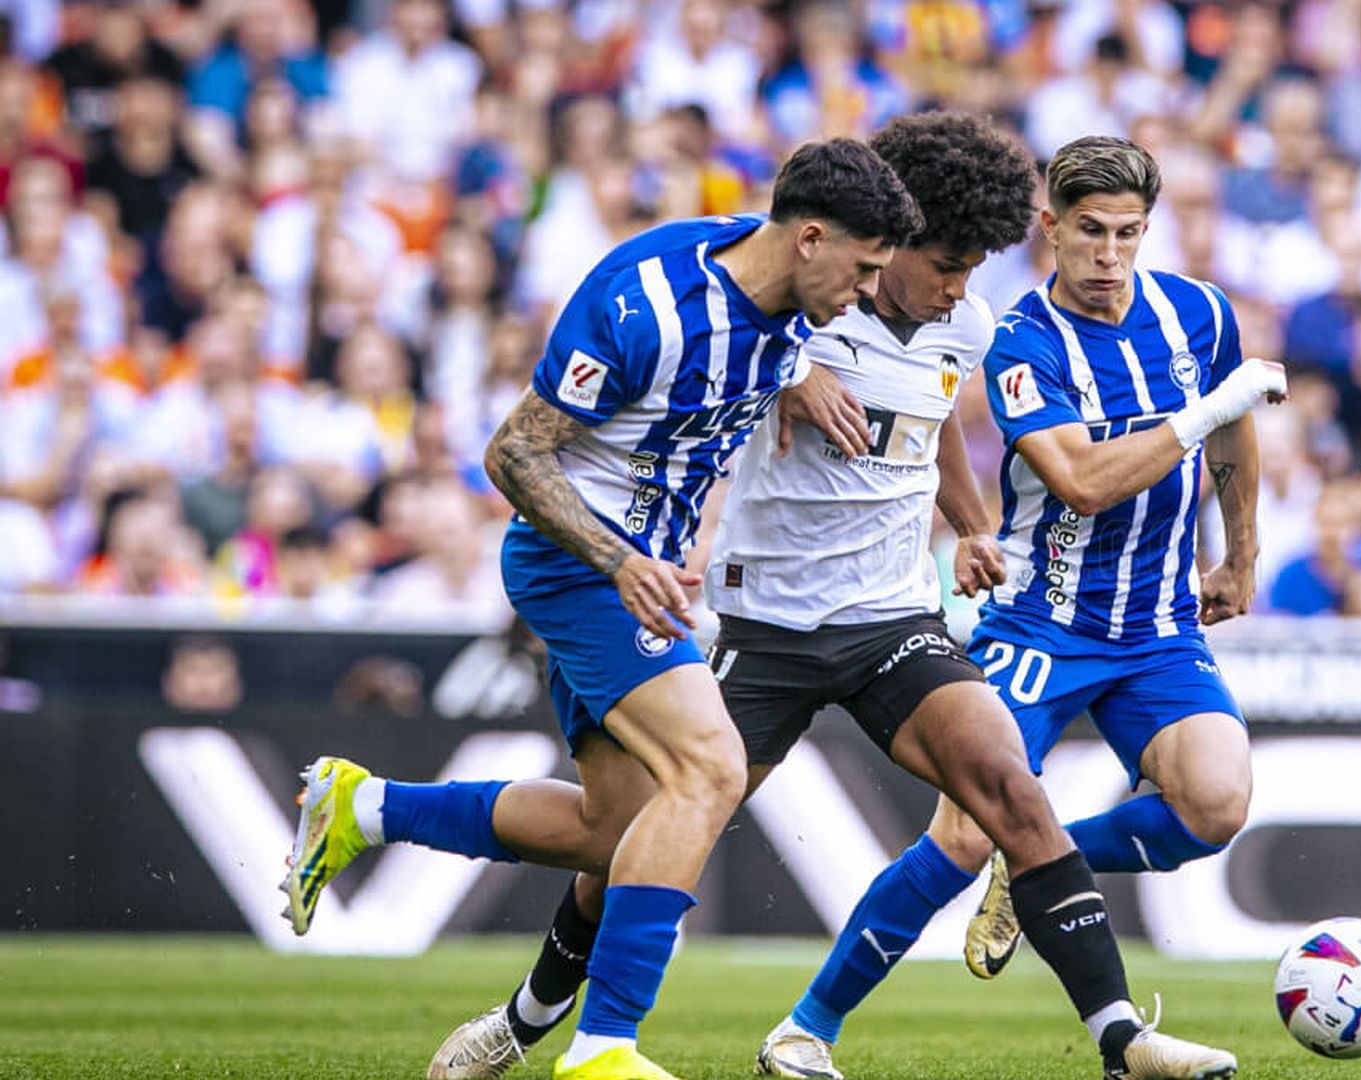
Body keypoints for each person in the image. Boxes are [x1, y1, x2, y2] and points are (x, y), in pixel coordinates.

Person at [425, 117, 1273, 1080]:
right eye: (946, 263)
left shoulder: (967, 321)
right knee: (632, 833)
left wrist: (971, 525)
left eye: (972, 268)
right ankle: (529, 1023)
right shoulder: (802, 312)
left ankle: (1123, 1040)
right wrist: (793, 372)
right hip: (768, 626)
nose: (961, 286)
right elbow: (742, 289)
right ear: (889, 245)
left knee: (1008, 792)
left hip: (891, 620)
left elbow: (939, 413)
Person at [279, 137, 925, 1080]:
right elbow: (513, 455)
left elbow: (759, 337)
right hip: (575, 564)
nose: (868, 292)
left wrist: (802, 374)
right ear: (812, 240)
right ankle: (603, 1050)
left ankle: (364, 808)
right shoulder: (643, 303)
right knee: (709, 770)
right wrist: (622, 559)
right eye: (864, 270)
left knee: (614, 828)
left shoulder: (790, 294)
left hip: (644, 575)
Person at [791, 134, 1282, 1072]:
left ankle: (1039, 870)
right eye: (1090, 231)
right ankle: (809, 1025)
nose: (1109, 255)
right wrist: (1209, 413)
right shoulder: (1019, 340)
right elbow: (1084, 481)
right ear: (1050, 227)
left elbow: (1237, 439)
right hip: (1042, 622)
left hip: (1159, 626)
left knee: (1215, 806)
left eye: (1129, 234)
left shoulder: (1199, 315)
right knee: (966, 830)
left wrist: (1241, 553)